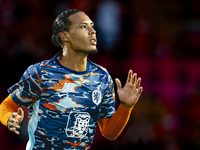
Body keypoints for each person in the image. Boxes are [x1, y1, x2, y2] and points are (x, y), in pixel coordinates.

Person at [0, 9, 143, 150]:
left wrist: (126, 107)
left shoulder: (102, 78)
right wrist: (10, 119)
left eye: (92, 26)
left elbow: (109, 133)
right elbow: (6, 106)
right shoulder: (40, 73)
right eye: (83, 27)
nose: (92, 31)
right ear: (65, 36)